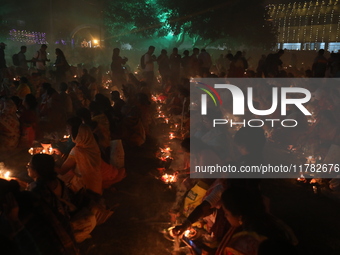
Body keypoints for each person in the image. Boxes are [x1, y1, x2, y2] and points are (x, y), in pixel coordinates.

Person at [216, 187, 297, 255]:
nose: (225, 216)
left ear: (239, 216)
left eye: (226, 213)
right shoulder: (269, 221)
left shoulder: (242, 243)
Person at [58, 122, 103, 195]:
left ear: (77, 135)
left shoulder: (77, 150)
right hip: (96, 187)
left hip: (82, 189)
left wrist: (47, 164)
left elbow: (62, 171)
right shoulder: (94, 147)